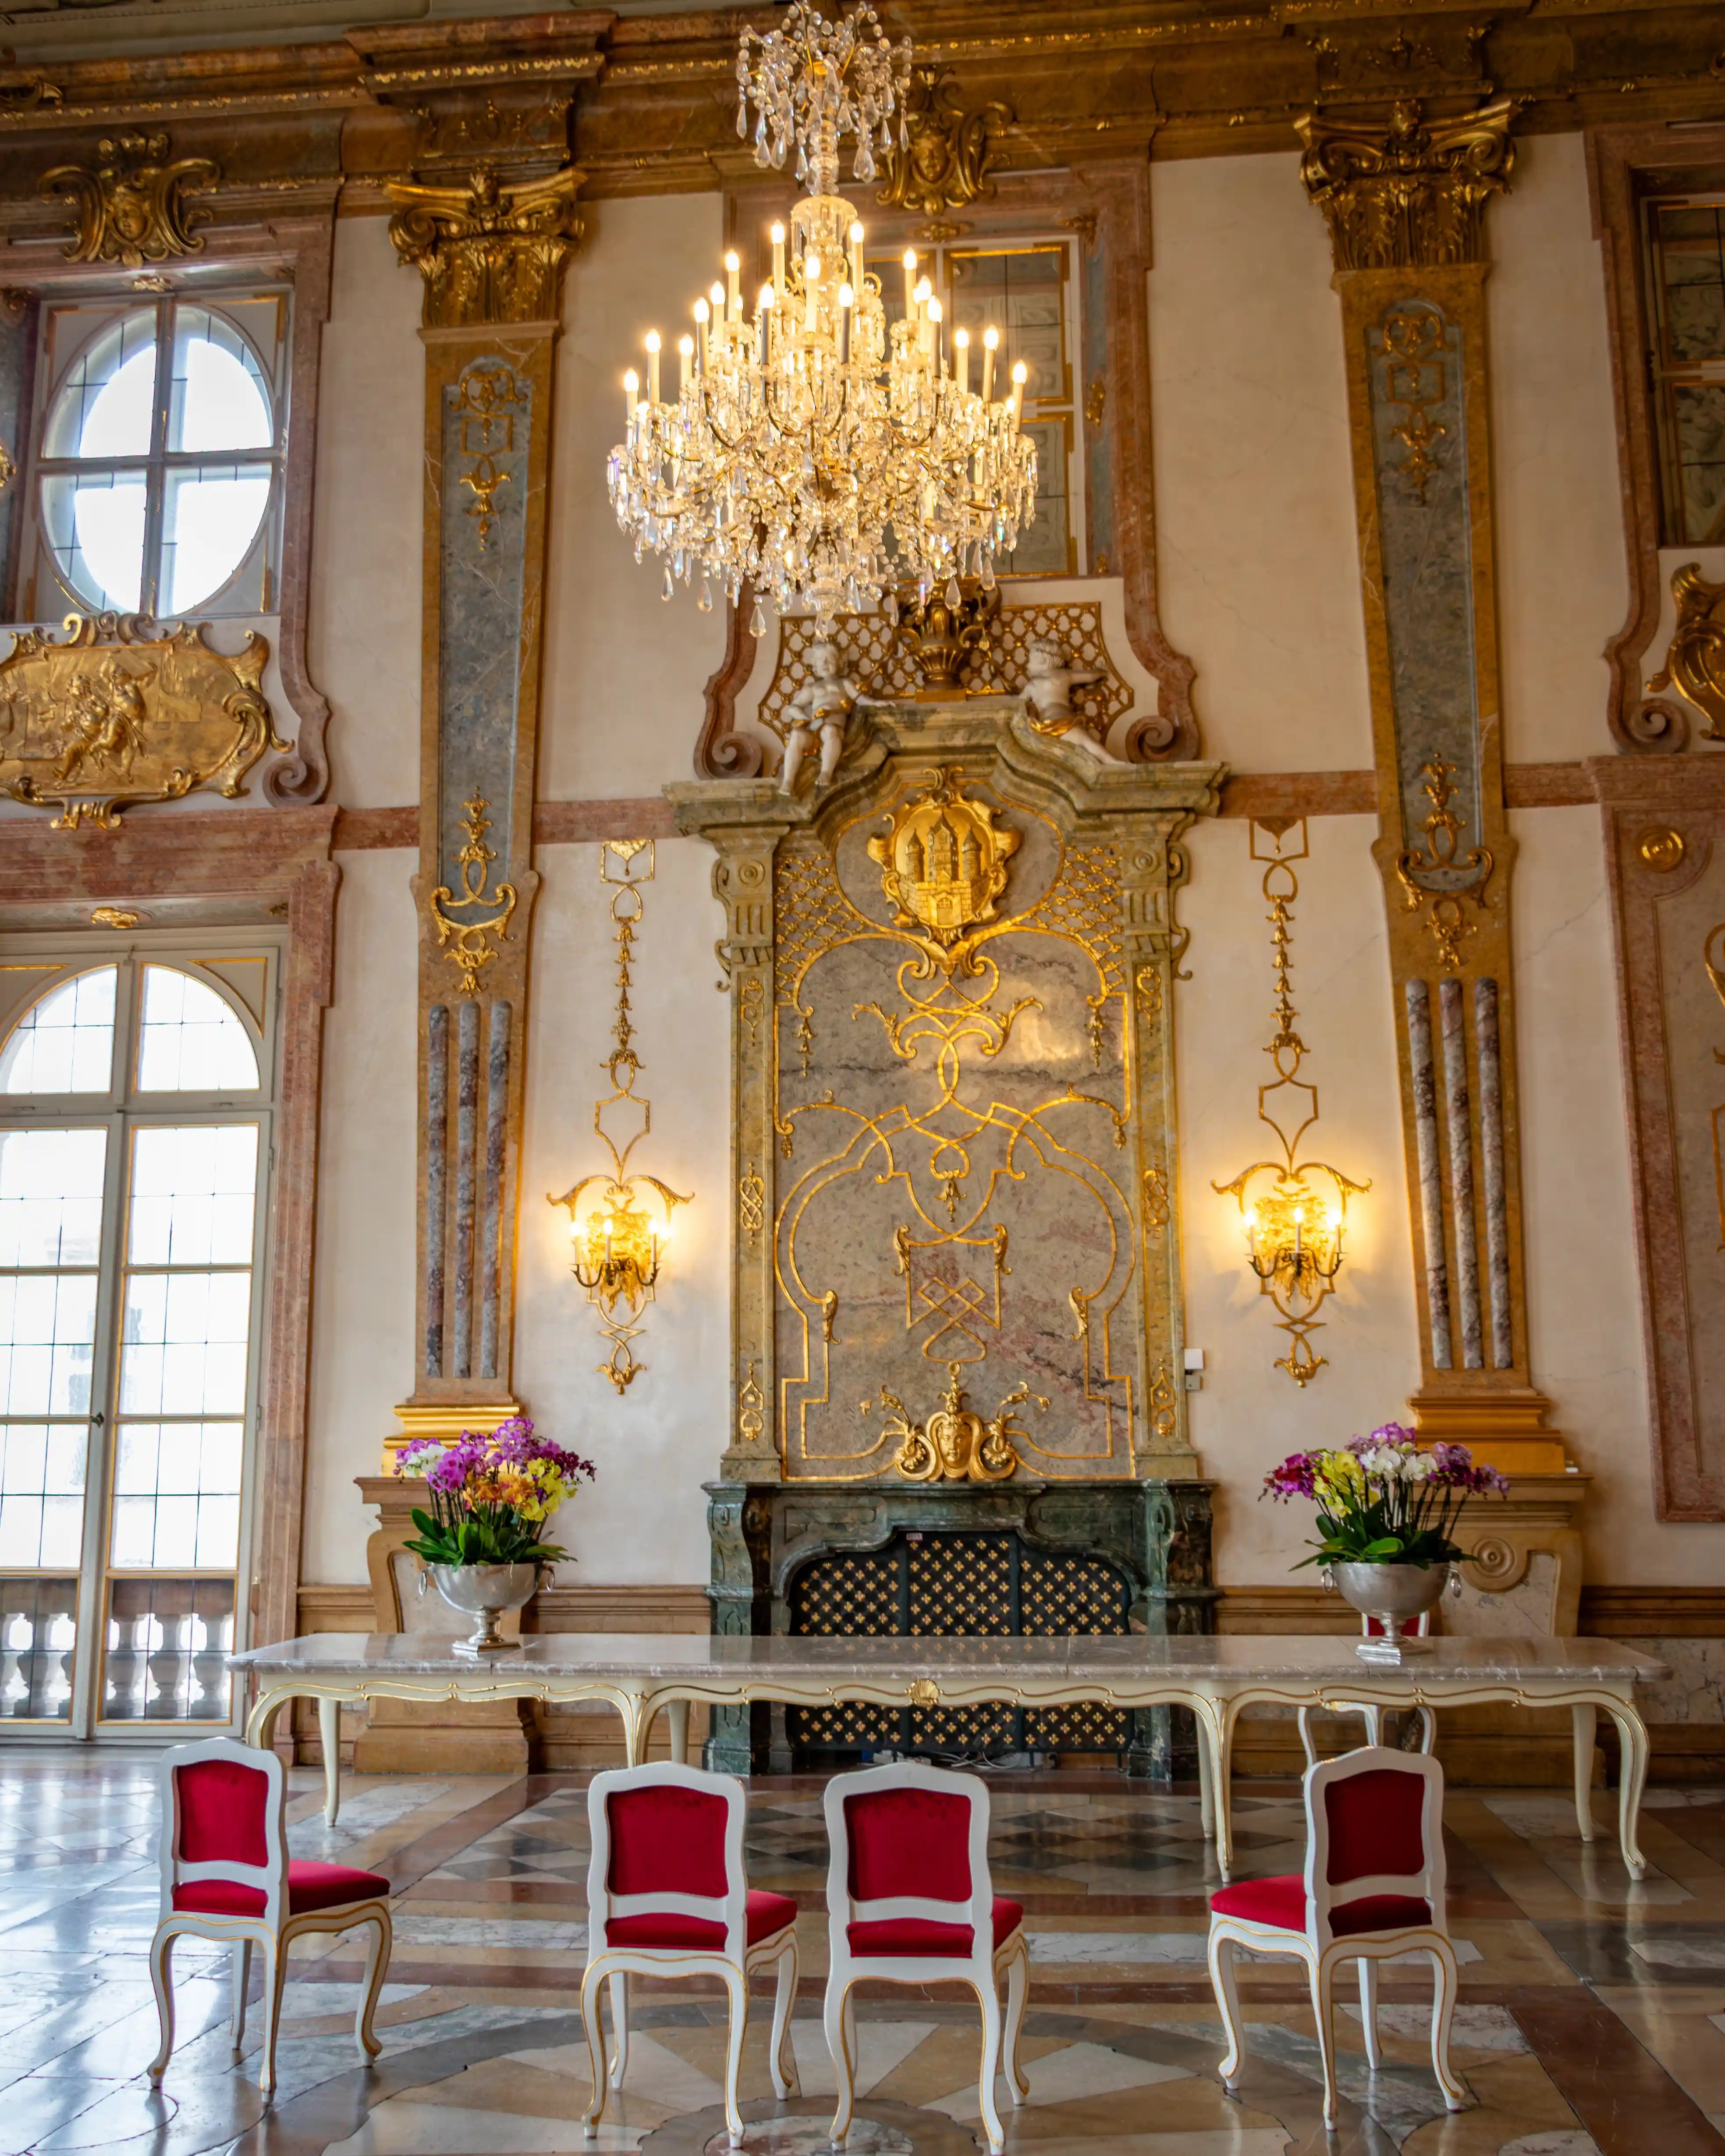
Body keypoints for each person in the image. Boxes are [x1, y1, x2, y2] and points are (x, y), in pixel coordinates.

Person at [778, 641, 862, 794]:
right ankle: (788, 781)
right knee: (796, 736)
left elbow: (861, 699)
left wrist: (878, 703)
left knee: (830, 732)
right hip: (813, 727)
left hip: (833, 727)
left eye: (828, 660)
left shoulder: (845, 684)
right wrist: (808, 717)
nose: (824, 664)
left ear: (839, 662)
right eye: (820, 660)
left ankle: (826, 772)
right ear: (815, 665)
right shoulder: (813, 688)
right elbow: (793, 708)